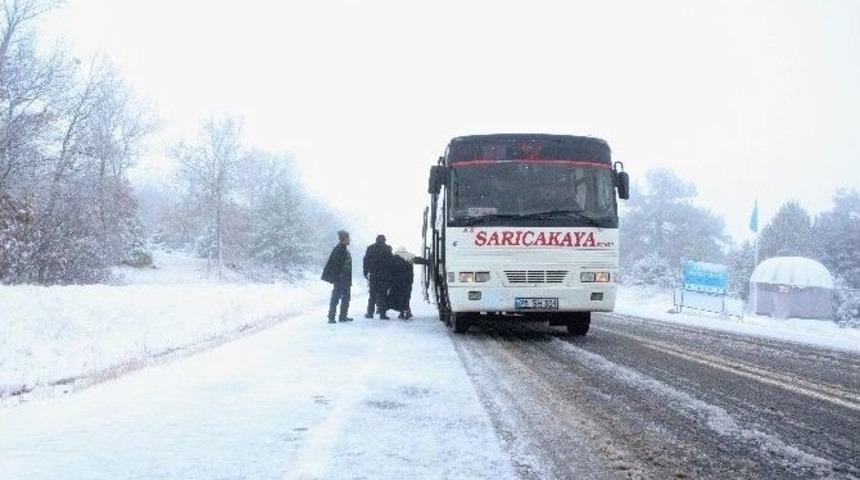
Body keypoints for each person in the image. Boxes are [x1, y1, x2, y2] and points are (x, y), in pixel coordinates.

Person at [321, 230, 353, 324]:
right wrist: (337, 277)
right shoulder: (339, 249)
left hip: (344, 278)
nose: (349, 240)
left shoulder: (343, 249)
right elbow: (335, 265)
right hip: (340, 278)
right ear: (344, 239)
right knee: (336, 297)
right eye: (348, 238)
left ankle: (343, 316)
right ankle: (331, 317)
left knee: (346, 297)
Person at [387, 248, 427, 320]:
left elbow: (389, 269)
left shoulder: (393, 258)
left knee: (400, 296)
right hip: (407, 281)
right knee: (406, 296)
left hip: (397, 282)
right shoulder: (409, 257)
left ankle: (402, 312)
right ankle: (406, 311)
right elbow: (420, 261)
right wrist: (428, 261)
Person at [363, 234, 393, 319]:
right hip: (384, 276)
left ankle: (370, 313)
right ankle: (382, 314)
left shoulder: (370, 248)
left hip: (374, 275)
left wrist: (366, 273)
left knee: (372, 295)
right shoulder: (387, 249)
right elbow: (391, 263)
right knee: (383, 295)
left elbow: (366, 261)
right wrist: (390, 275)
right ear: (384, 240)